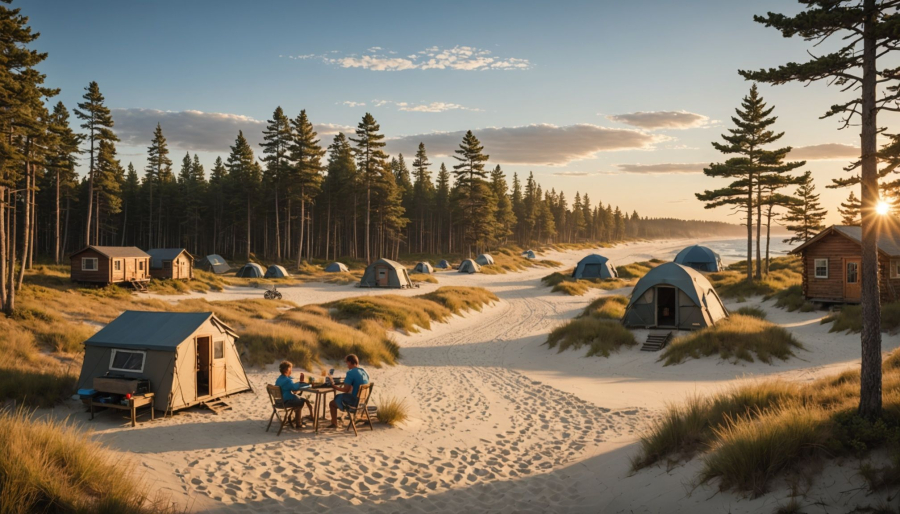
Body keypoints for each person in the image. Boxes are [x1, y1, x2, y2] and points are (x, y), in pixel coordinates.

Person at [328, 354, 369, 428]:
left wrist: (335, 387)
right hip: (362, 402)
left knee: (332, 403)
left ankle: (334, 423)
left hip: (354, 403)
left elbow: (346, 390)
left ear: (350, 362)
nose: (346, 365)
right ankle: (335, 421)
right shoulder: (364, 371)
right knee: (340, 397)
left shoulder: (350, 373)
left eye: (346, 362)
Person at [275, 361, 313, 428]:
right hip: (285, 401)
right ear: (286, 370)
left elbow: (291, 387)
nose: (291, 371)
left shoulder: (279, 379)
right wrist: (305, 384)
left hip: (278, 401)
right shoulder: (287, 380)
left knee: (299, 399)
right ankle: (298, 423)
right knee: (301, 401)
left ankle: (296, 419)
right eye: (290, 369)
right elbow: (295, 388)